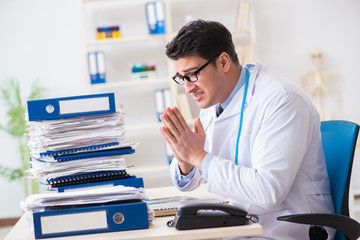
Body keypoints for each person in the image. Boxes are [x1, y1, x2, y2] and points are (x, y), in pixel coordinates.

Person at [159, 19, 335, 240]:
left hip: (287, 229)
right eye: (182, 78)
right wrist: (186, 161)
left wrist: (198, 156)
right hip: (241, 225)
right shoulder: (214, 102)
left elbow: (268, 191)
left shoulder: (281, 100)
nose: (187, 88)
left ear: (223, 62)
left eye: (193, 74)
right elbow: (191, 183)